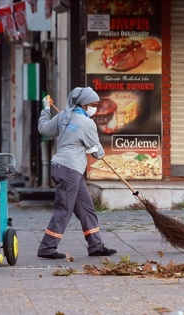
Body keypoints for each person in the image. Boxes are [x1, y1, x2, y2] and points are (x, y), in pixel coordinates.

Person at [36, 87, 117, 259]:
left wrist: (46, 109)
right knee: (63, 210)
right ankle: (47, 248)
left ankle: (96, 245)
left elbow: (44, 129)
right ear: (84, 104)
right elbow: (97, 153)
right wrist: (98, 149)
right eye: (93, 105)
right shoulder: (87, 123)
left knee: (86, 209)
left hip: (66, 168)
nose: (95, 108)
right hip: (69, 169)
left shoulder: (63, 116)